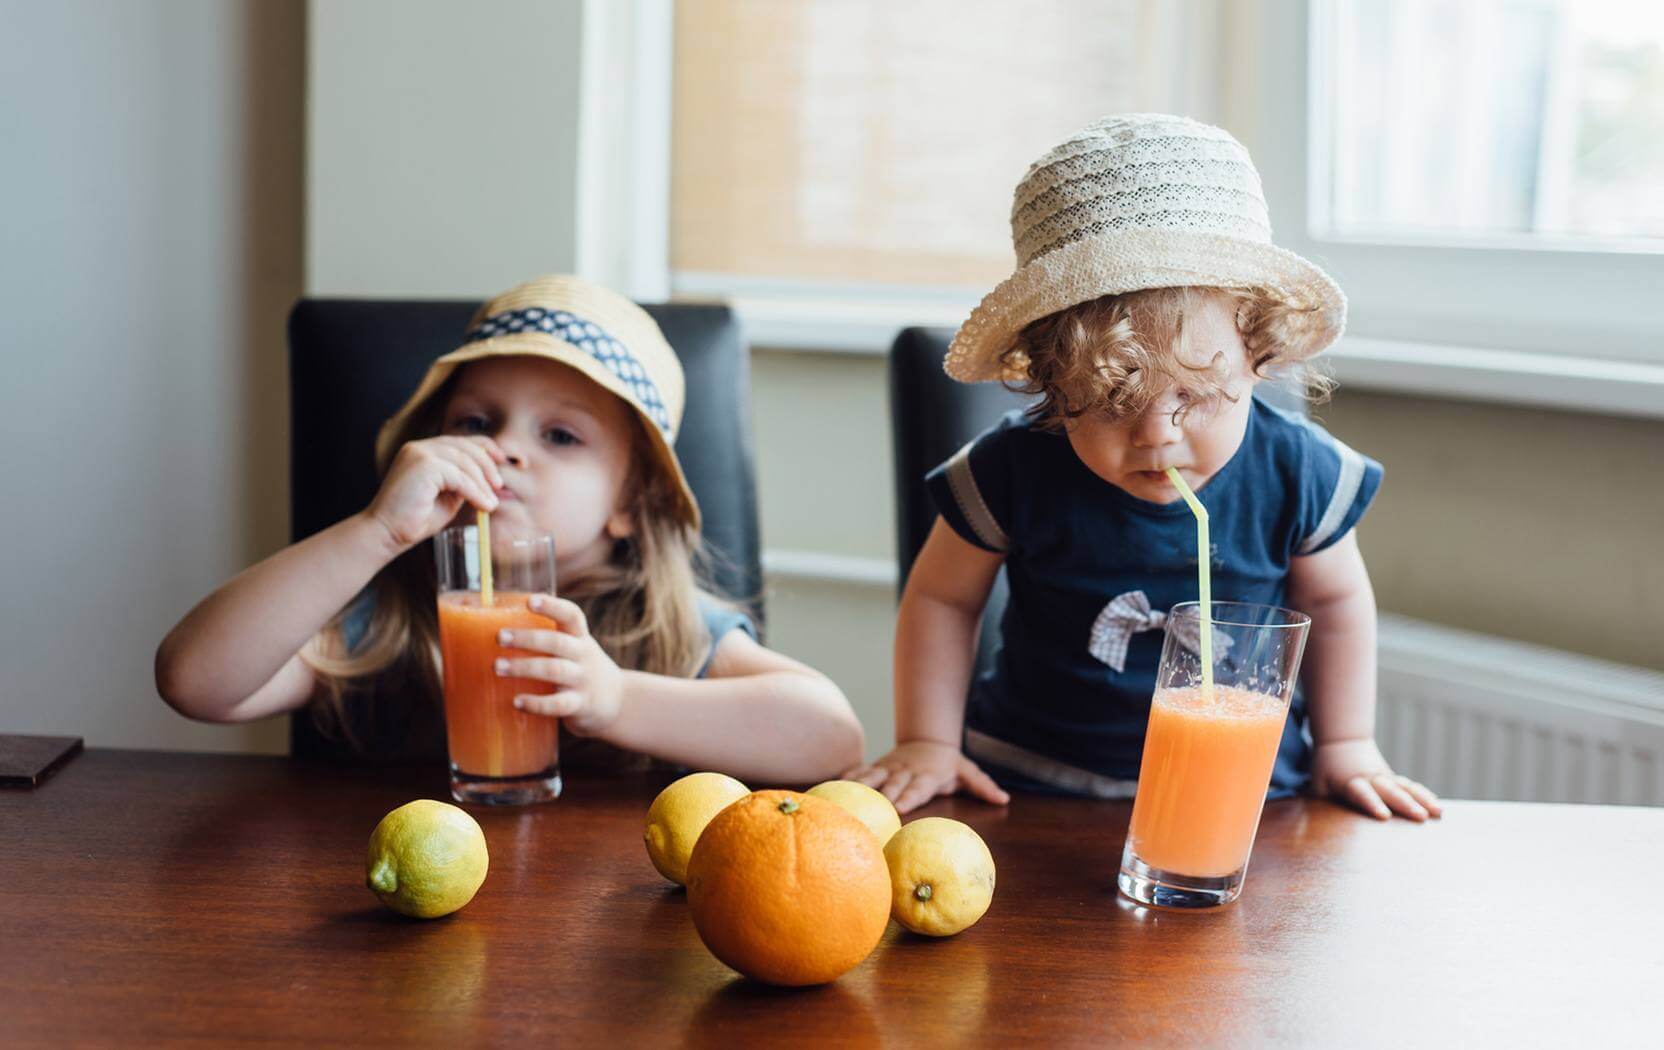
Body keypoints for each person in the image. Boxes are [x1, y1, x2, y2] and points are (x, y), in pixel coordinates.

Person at [847, 114, 1441, 821]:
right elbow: (943, 600)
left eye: (1195, 397)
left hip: (1243, 795)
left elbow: (1337, 605)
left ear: (1258, 355)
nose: (1158, 436)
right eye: (1110, 401)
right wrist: (925, 741)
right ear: (1051, 383)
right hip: (1029, 789)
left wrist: (1347, 742)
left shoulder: (1298, 471)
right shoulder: (1011, 469)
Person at [157, 275, 863, 782]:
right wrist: (377, 532)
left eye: (560, 434)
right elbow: (194, 682)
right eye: (474, 422)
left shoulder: (664, 629)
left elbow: (831, 738)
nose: (506, 448)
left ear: (629, 502)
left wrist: (616, 698)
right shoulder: (393, 617)